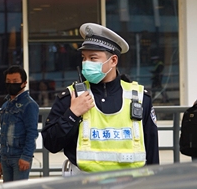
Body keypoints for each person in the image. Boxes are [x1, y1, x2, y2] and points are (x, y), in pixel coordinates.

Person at [42, 22, 159, 173]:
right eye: (84, 58)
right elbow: (51, 143)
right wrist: (72, 114)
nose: (86, 63)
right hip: (84, 187)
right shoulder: (72, 97)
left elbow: (152, 151)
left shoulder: (140, 98)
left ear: (113, 61)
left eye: (93, 58)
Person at [0, 66, 39, 181]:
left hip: (19, 157)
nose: (11, 84)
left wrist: (26, 157)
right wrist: (1, 159)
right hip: (5, 157)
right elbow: (3, 133)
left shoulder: (29, 105)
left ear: (24, 83)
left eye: (15, 82)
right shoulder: (5, 105)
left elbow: (32, 133)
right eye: (8, 82)